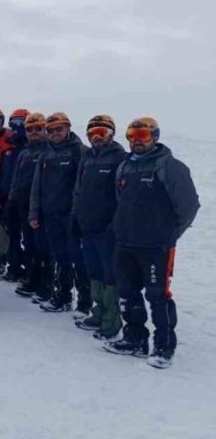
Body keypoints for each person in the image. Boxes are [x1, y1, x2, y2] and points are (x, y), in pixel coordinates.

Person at [103, 117, 199, 369]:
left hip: (156, 247)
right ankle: (135, 338)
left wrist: (168, 235)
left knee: (158, 296)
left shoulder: (170, 167)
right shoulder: (124, 166)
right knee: (128, 293)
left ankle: (164, 345)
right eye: (132, 135)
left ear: (155, 137)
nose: (137, 141)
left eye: (143, 135)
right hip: (125, 243)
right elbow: (120, 200)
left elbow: (188, 206)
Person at [71, 115, 128, 339]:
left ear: (112, 134)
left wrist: (115, 223)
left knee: (109, 274)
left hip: (107, 228)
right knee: (93, 271)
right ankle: (98, 312)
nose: (97, 137)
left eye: (102, 133)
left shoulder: (120, 158)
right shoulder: (87, 158)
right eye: (92, 133)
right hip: (88, 225)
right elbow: (79, 190)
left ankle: (111, 320)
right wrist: (76, 216)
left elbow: (124, 196)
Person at [29, 112, 90, 314]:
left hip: (73, 216)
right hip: (51, 215)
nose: (55, 133)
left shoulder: (80, 152)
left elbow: (84, 186)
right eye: (51, 130)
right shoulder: (46, 154)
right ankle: (63, 296)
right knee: (61, 257)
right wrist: (34, 212)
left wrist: (78, 213)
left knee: (79, 259)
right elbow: (36, 187)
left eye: (59, 129)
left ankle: (84, 302)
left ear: (68, 129)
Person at [10, 113, 52, 302]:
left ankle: (47, 283)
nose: (34, 132)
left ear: (45, 129)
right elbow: (16, 178)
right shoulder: (25, 153)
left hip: (44, 208)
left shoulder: (49, 152)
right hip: (23, 205)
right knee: (29, 244)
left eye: (38, 128)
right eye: (30, 129)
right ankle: (32, 278)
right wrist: (12, 198)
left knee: (44, 248)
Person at [1, 109, 30, 280]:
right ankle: (14, 267)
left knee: (29, 238)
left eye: (22, 122)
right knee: (11, 235)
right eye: (15, 123)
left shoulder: (35, 146)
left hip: (28, 199)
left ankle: (30, 271)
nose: (18, 126)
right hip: (7, 197)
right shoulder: (7, 146)